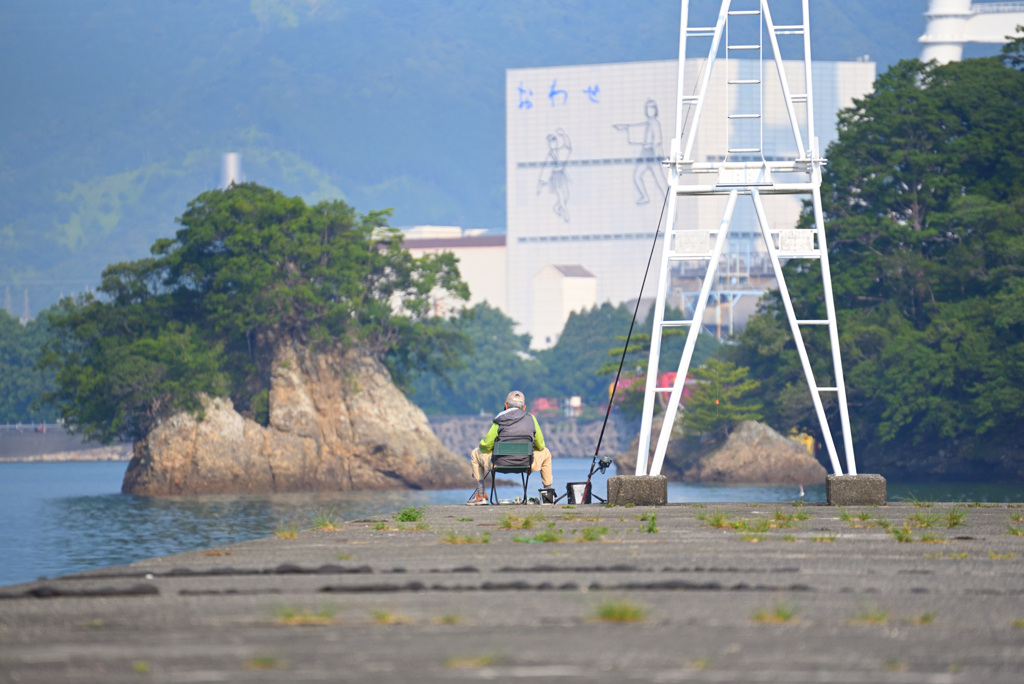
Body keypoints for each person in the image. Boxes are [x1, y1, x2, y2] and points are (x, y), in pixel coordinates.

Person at [466, 390, 553, 505]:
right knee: (546, 452)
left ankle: (481, 495)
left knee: (475, 453)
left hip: (499, 463)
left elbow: (486, 446)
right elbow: (541, 445)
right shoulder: (531, 419)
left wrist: (485, 444)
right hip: (526, 463)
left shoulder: (500, 419)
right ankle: (548, 495)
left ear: (506, 405)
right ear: (524, 407)